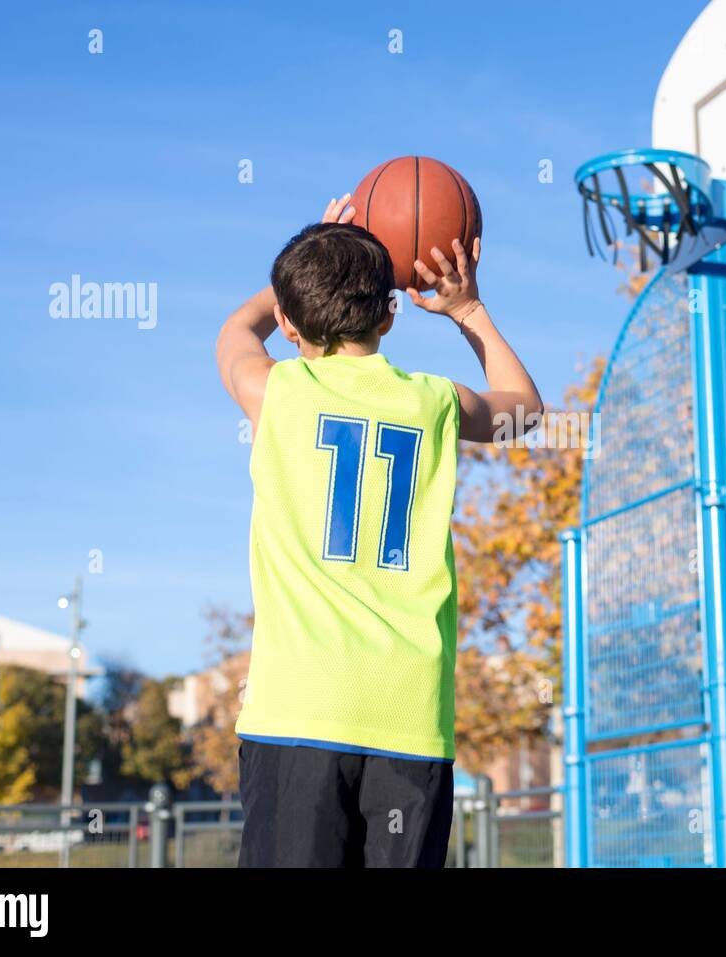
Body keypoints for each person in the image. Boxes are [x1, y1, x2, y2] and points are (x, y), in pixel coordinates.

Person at [215, 194, 542, 866]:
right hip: (408, 721)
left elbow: (234, 334)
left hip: (296, 717)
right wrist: (468, 309)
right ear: (390, 312)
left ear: (287, 318)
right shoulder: (435, 401)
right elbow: (527, 410)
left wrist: (310, 261)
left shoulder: (276, 393)